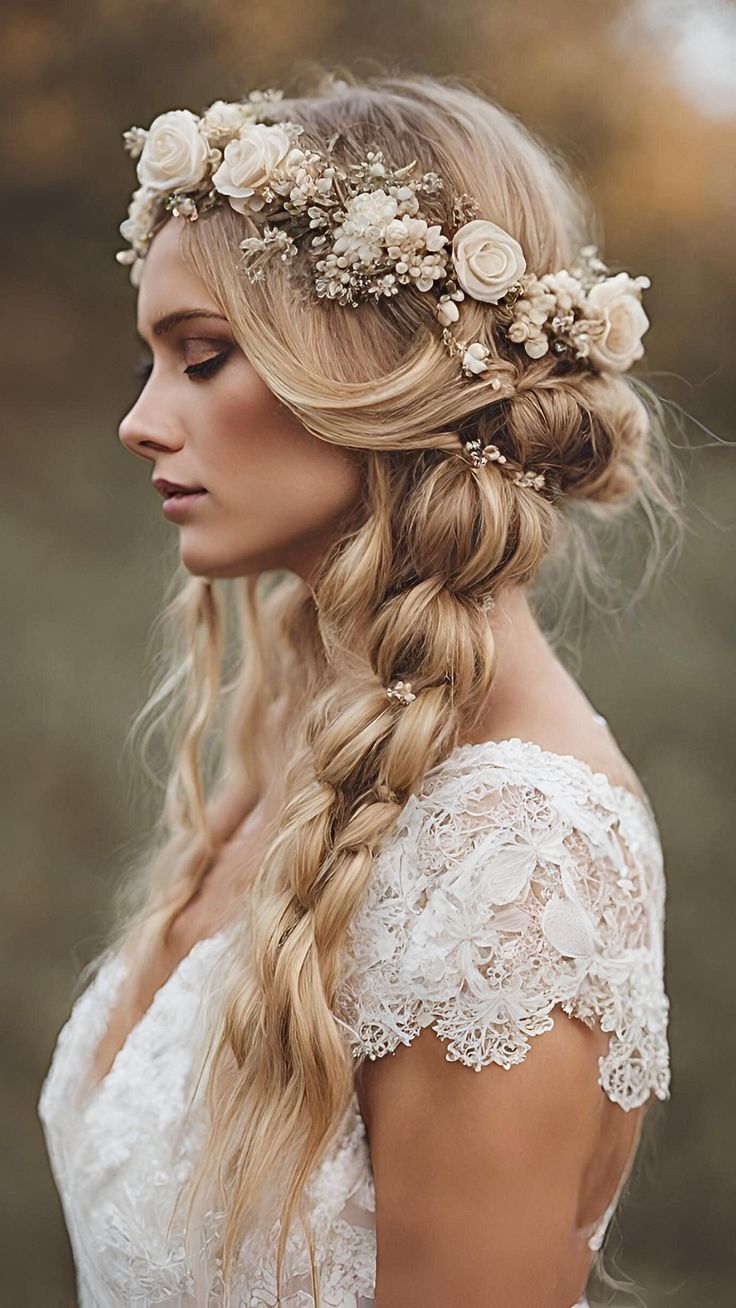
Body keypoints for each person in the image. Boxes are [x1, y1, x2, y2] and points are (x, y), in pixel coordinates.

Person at [38, 68, 682, 1307]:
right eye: (148, 359)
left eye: (203, 357)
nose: (141, 420)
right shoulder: (308, 724)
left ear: (383, 371)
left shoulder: (513, 861)